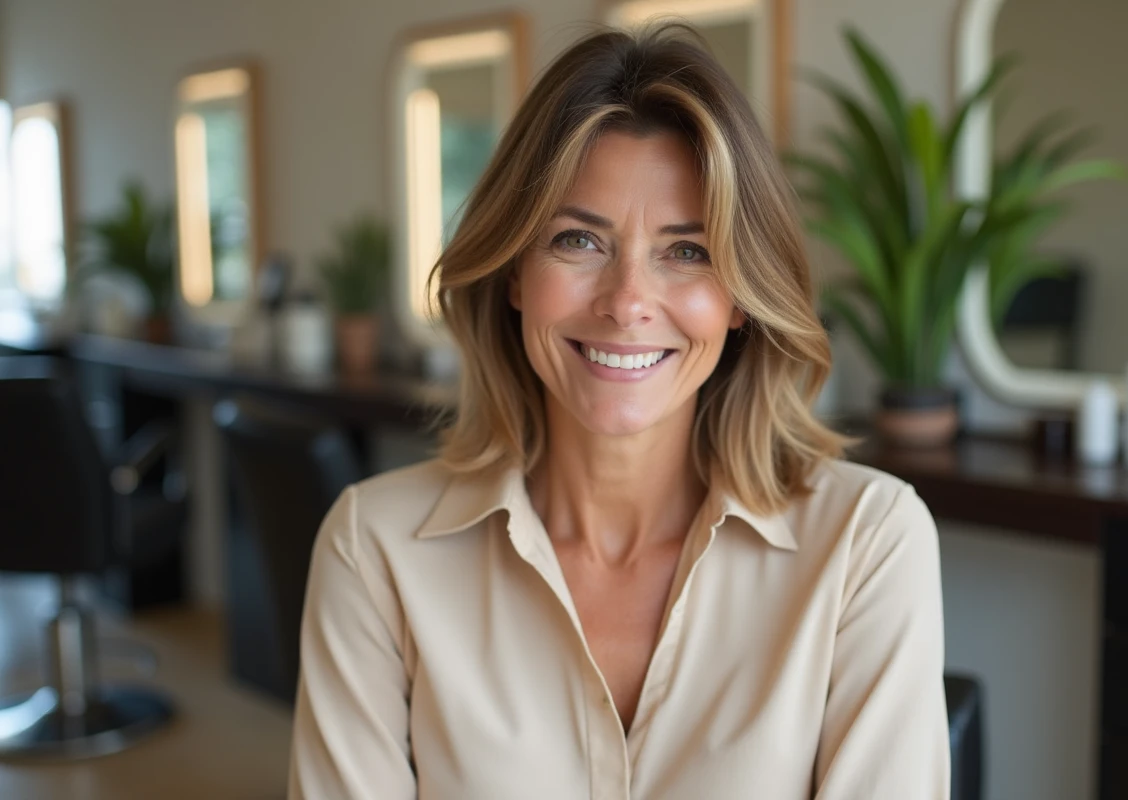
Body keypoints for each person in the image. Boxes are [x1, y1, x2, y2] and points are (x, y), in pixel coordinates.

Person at [288, 23, 949, 800]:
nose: (628, 302)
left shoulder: (866, 544)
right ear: (512, 275)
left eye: (687, 251)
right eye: (577, 240)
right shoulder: (374, 552)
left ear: (740, 300)